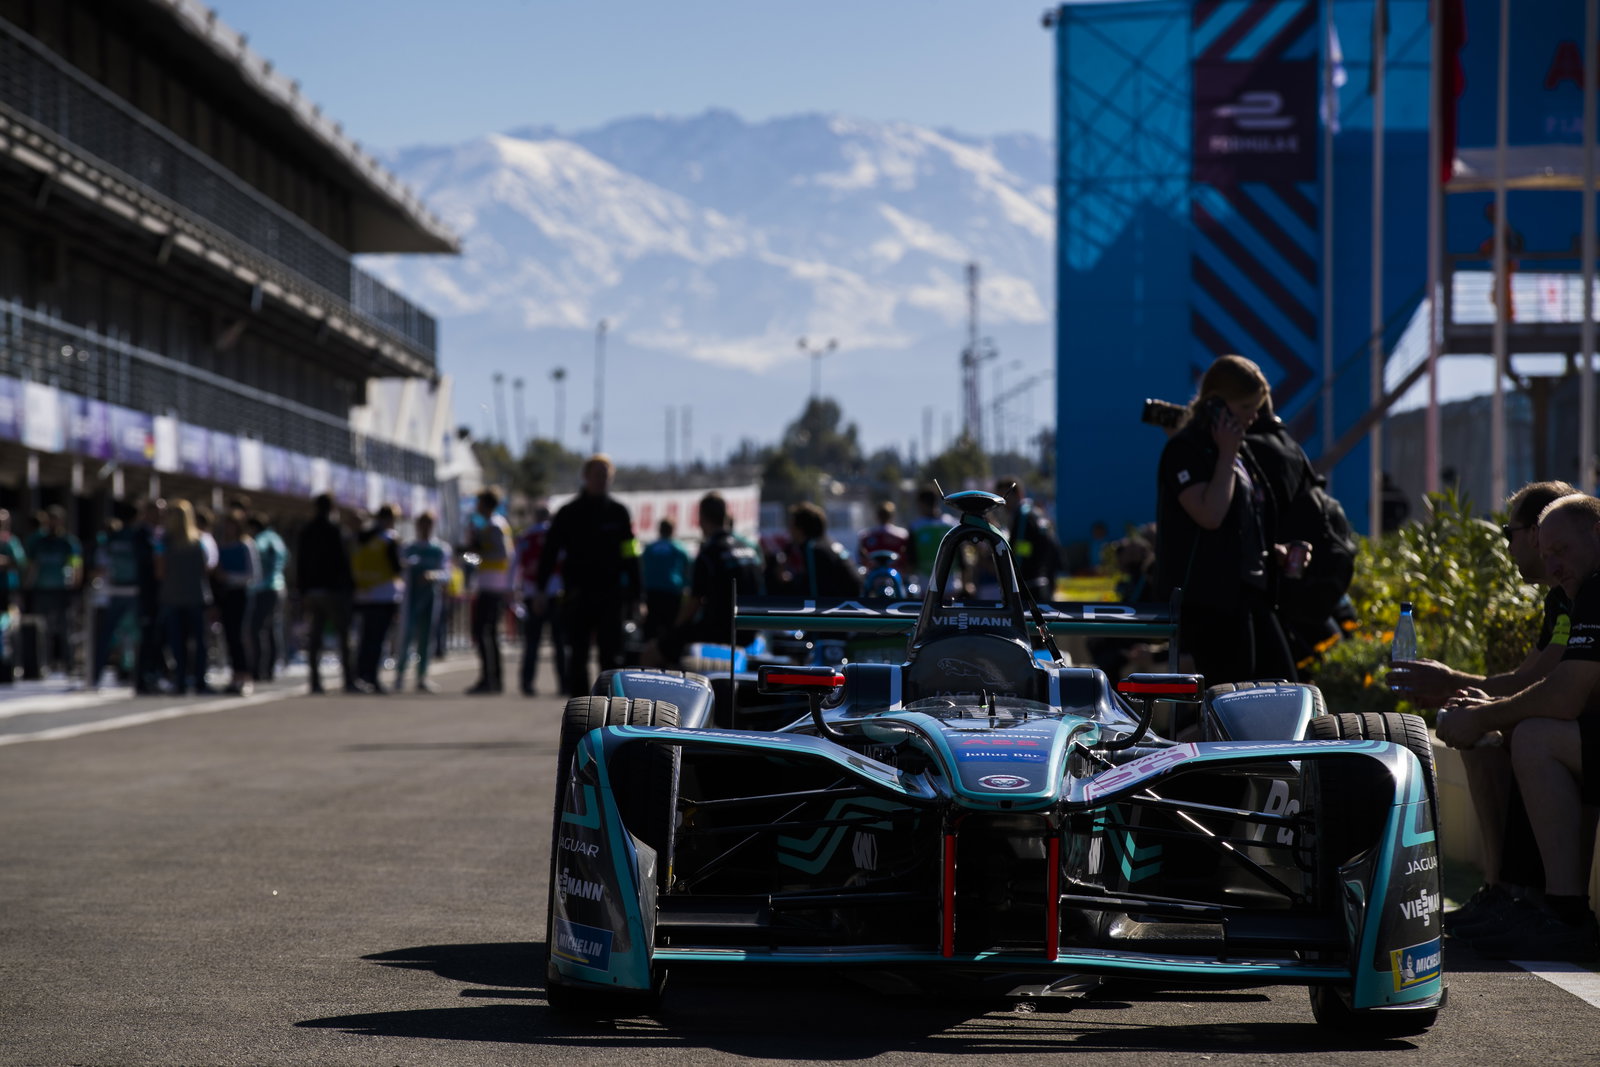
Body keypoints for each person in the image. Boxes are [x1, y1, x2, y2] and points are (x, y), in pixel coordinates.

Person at [1390, 480, 1577, 932]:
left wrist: (1463, 691)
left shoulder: (1582, 592)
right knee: (1490, 730)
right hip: (1575, 726)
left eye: (1508, 533)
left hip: (1575, 730)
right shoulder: (1562, 596)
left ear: (1535, 532)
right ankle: (1501, 890)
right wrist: (1472, 698)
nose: (1509, 547)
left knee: (1518, 732)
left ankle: (1554, 907)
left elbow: (1547, 684)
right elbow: (1535, 677)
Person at [1435, 493, 1600, 961]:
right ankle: (1519, 896)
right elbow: (1558, 686)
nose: (1554, 566)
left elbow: (1562, 694)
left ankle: (1565, 915)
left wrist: (1482, 714)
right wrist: (1487, 711)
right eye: (1547, 555)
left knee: (1535, 736)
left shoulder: (1598, 588)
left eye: (1562, 551)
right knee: (1521, 729)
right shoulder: (1578, 592)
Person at [1154, 354, 1297, 686]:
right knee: (1233, 694)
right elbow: (1210, 514)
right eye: (1247, 407)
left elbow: (1239, 520)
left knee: (1284, 684)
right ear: (1218, 406)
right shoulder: (1186, 450)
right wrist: (1227, 453)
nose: (1254, 417)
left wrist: (1267, 550)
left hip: (1245, 594)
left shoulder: (1233, 450)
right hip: (1209, 603)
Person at [534, 456, 641, 697]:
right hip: (577, 595)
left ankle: (610, 712)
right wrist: (540, 589)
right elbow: (549, 553)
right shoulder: (569, 513)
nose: (601, 480)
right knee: (577, 655)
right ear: (586, 476)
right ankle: (582, 712)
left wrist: (638, 595)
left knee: (611, 657)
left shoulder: (619, 513)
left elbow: (631, 555)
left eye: (606, 475)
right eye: (597, 475)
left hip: (611, 595)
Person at [651, 491, 766, 667]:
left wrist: (674, 629)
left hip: (720, 632)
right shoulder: (749, 550)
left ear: (702, 518)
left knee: (653, 651)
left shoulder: (709, 554)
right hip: (751, 632)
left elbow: (694, 602)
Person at [296, 492, 356, 695]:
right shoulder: (335, 530)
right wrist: (350, 588)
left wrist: (302, 590)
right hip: (334, 591)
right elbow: (343, 562)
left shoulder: (306, 531)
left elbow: (300, 564)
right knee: (343, 634)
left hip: (313, 590)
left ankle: (314, 681)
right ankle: (348, 679)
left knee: (315, 637)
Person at [463, 489, 515, 695]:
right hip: (489, 584)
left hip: (493, 587)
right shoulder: (491, 524)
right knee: (488, 632)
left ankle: (490, 679)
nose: (476, 506)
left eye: (479, 502)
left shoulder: (494, 525)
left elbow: (501, 553)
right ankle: (492, 679)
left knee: (484, 632)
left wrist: (476, 549)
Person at [158, 500, 212, 695]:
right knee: (198, 642)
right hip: (194, 596)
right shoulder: (198, 541)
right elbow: (206, 570)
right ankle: (199, 680)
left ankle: (181, 679)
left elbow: (160, 571)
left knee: (178, 642)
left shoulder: (165, 542)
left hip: (174, 597)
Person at [350, 504, 404, 694]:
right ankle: (372, 677)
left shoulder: (362, 537)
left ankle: (361, 675)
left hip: (363, 594)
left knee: (365, 638)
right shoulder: (389, 538)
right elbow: (397, 567)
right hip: (385, 594)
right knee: (378, 640)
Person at [25, 505, 83, 678]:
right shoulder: (38, 541)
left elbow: (76, 564)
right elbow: (31, 565)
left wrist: (75, 585)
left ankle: (68, 663)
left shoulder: (67, 542)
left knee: (65, 628)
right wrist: (27, 586)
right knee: (43, 630)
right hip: (41, 590)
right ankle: (43, 663)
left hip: (61, 590)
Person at [89, 501, 142, 690]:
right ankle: (138, 675)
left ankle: (95, 675)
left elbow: (101, 565)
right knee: (136, 635)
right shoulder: (138, 538)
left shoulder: (112, 538)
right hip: (133, 591)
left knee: (108, 634)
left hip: (116, 590)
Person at [513, 505, 565, 697]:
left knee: (532, 641)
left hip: (531, 593)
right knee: (559, 641)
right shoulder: (557, 535)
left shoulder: (526, 536)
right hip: (555, 592)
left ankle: (527, 683)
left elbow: (516, 564)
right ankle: (564, 682)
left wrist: (516, 589)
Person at [395, 510, 448, 693]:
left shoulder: (440, 549)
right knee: (406, 636)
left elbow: (447, 573)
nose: (425, 528)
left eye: (429, 524)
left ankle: (422, 676)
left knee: (426, 638)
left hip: (431, 599)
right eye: (422, 524)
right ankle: (399, 675)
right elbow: (399, 569)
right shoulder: (408, 548)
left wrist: (433, 575)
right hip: (410, 599)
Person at [215, 508, 260, 696]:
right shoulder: (221, 545)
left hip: (240, 594)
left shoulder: (246, 545)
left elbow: (253, 575)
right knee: (228, 636)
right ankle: (234, 674)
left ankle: (245, 675)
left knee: (240, 636)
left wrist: (229, 577)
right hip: (224, 595)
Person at [996, 478, 1061, 603]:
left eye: (1005, 497)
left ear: (1018, 495)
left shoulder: (1023, 516)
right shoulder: (1034, 511)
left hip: (1031, 586)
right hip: (1043, 580)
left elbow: (1020, 552)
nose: (1003, 503)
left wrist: (1012, 577)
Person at [779, 502, 861, 599]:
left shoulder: (813, 549)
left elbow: (814, 593)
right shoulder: (827, 542)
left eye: (791, 526)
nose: (789, 531)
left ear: (801, 529)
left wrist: (787, 582)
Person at [247, 512, 289, 682]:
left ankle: (259, 668)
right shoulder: (277, 538)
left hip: (264, 588)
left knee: (257, 629)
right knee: (272, 628)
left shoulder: (262, 539)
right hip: (279, 585)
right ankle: (271, 668)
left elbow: (257, 549)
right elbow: (287, 557)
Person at [640, 518, 692, 643]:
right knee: (670, 625)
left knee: (652, 624)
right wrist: (686, 586)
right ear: (673, 530)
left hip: (652, 591)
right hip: (672, 591)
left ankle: (647, 652)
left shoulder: (649, 548)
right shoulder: (679, 548)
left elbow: (641, 568)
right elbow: (689, 568)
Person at [908, 486, 956, 593]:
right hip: (950, 585)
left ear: (921, 504)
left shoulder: (915, 527)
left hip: (925, 586)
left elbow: (910, 559)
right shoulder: (951, 524)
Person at [0, 509, 24, 682]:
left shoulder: (10, 542)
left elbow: (20, 562)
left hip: (7, 591)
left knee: (7, 627)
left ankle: (8, 665)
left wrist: (5, 561)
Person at [856, 501, 910, 573]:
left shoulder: (866, 535)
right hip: (895, 573)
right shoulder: (902, 535)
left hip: (874, 574)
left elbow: (861, 558)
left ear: (877, 516)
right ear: (892, 516)